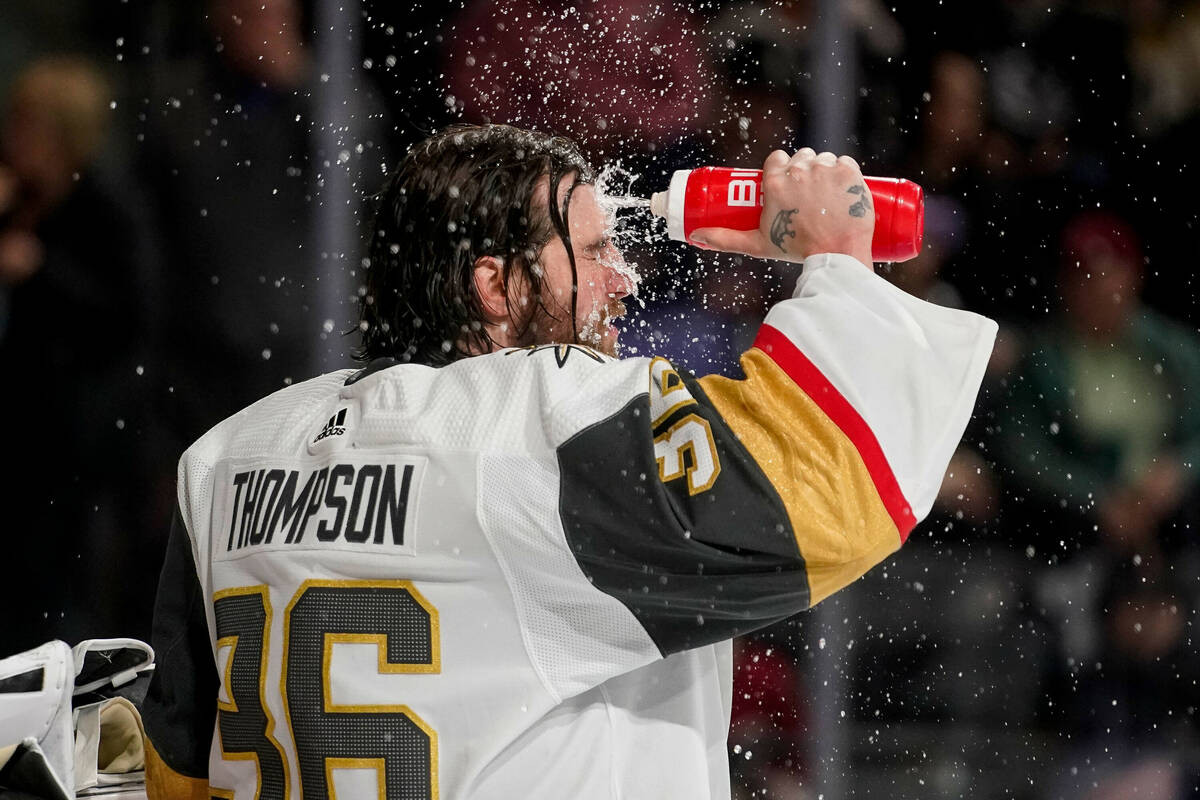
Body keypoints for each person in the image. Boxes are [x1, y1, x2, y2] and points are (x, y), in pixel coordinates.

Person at [139, 124, 996, 799]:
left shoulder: (226, 457)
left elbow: (178, 770)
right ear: (496, 287)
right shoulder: (540, 423)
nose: (622, 278)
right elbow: (822, 490)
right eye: (590, 252)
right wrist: (835, 261)